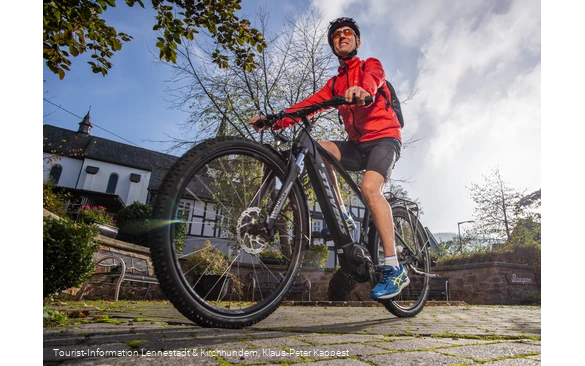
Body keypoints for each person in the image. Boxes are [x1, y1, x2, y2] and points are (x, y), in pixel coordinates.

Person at [248, 17, 409, 300]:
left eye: (347, 33)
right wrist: (275, 120)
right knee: (317, 149)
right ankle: (344, 216)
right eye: (336, 35)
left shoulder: (370, 65)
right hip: (357, 145)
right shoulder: (334, 83)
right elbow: (307, 106)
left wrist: (363, 92)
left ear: (357, 41)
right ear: (333, 45)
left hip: (385, 138)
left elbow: (374, 80)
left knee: (370, 189)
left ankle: (393, 268)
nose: (342, 37)